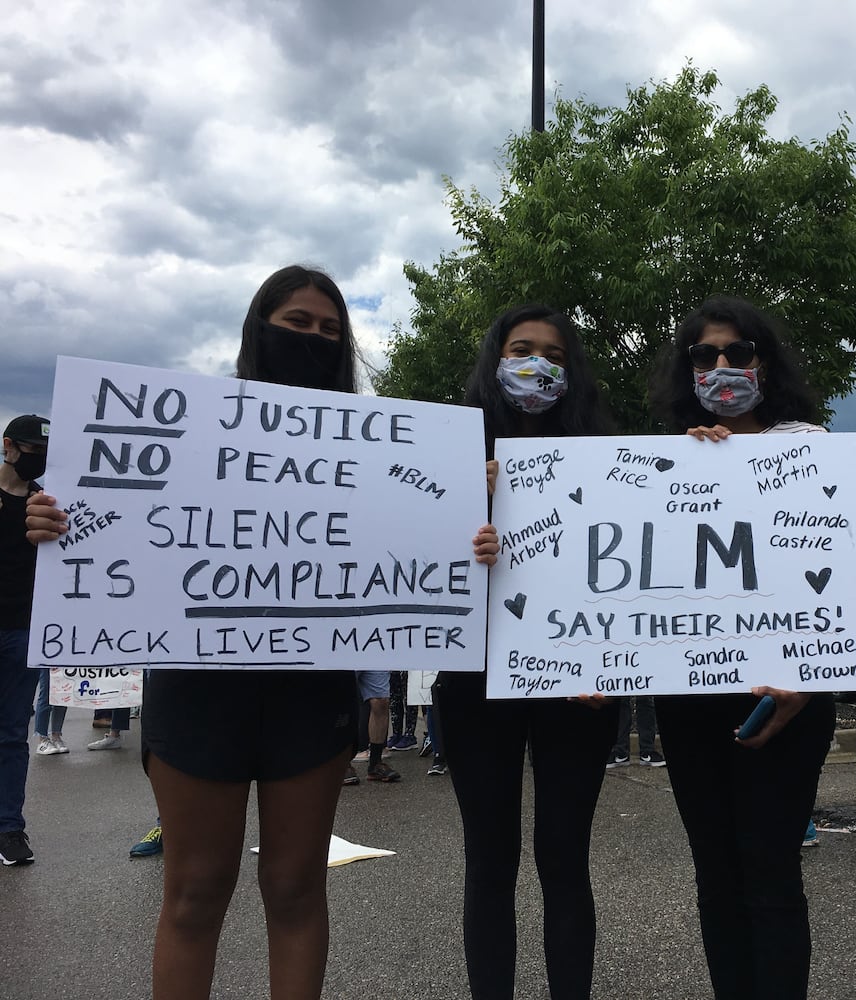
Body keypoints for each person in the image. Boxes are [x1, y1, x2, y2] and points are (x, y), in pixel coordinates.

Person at [26, 266, 369, 999]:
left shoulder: (370, 452)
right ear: (258, 329)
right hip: (197, 688)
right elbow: (110, 517)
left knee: (297, 886)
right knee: (193, 889)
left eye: (328, 330)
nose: (311, 338)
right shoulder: (190, 425)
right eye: (296, 323)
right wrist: (55, 527)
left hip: (312, 695)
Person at [647, 294, 837, 1000]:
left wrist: (807, 676)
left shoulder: (811, 449)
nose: (721, 366)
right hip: (689, 698)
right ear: (687, 368)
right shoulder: (665, 461)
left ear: (765, 361)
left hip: (784, 699)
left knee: (770, 872)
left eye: (737, 353)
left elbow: (832, 577)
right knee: (714, 876)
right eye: (704, 356)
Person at [446, 304, 619, 1000]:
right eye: (521, 348)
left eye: (553, 353)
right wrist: (466, 518)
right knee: (488, 861)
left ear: (570, 371)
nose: (537, 364)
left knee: (564, 858)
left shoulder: (607, 455)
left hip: (575, 681)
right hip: (473, 681)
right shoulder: (445, 458)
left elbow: (628, 568)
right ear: (494, 360)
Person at [1, 413, 50, 866]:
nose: (38, 460)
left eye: (44, 454)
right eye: (32, 451)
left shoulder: (47, 505)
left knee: (12, 733)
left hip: (22, 633)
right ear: (9, 446)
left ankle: (9, 829)